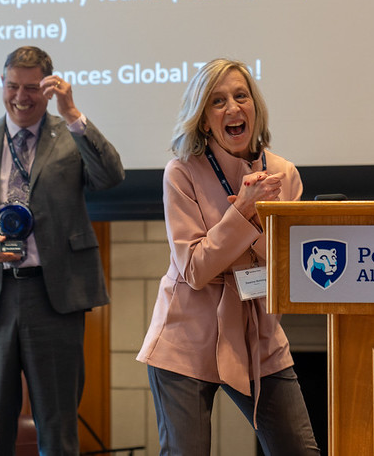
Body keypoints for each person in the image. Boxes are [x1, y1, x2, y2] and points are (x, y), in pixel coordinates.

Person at [0, 46, 124, 455]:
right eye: (13, 86)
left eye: (32, 88)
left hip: (54, 297)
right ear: (2, 85)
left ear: (50, 88)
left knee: (58, 430)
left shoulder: (70, 136)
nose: (21, 96)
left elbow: (110, 176)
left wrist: (73, 114)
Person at [136, 58, 320, 455]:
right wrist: (243, 213)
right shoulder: (181, 172)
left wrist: (251, 221)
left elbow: (286, 265)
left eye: (241, 96)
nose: (233, 109)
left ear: (255, 107)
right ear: (204, 121)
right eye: (218, 102)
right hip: (186, 338)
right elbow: (196, 270)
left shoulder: (284, 174)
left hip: (260, 337)